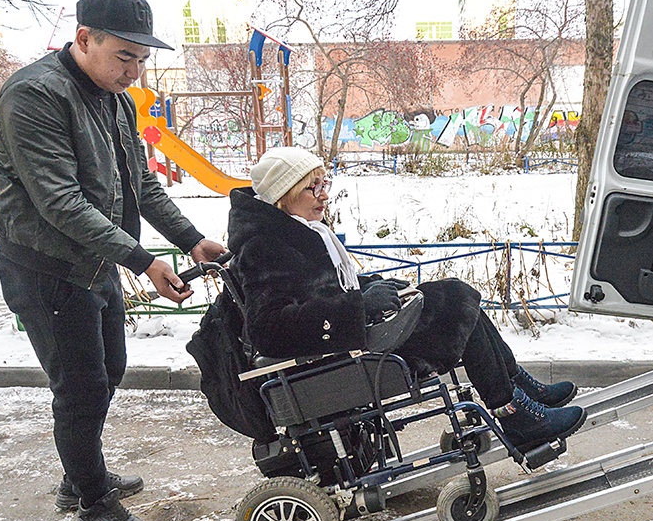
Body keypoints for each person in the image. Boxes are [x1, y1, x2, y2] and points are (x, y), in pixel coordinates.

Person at [0, 0, 226, 521]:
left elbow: (140, 184)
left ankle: (81, 473)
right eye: (125, 56)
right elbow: (60, 202)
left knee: (109, 369)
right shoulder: (34, 97)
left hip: (94, 261)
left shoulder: (117, 100)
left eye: (143, 60)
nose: (135, 71)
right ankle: (91, 499)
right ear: (84, 39)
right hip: (47, 267)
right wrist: (143, 261)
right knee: (80, 385)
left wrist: (191, 240)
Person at [226, 147, 586, 449]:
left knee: (457, 296)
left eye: (324, 183)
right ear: (283, 195)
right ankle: (515, 412)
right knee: (455, 300)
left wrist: (372, 286)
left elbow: (325, 286)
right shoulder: (265, 246)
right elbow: (268, 328)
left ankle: (520, 392)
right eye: (312, 187)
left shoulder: (297, 230)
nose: (323, 194)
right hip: (336, 360)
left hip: (349, 341)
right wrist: (359, 305)